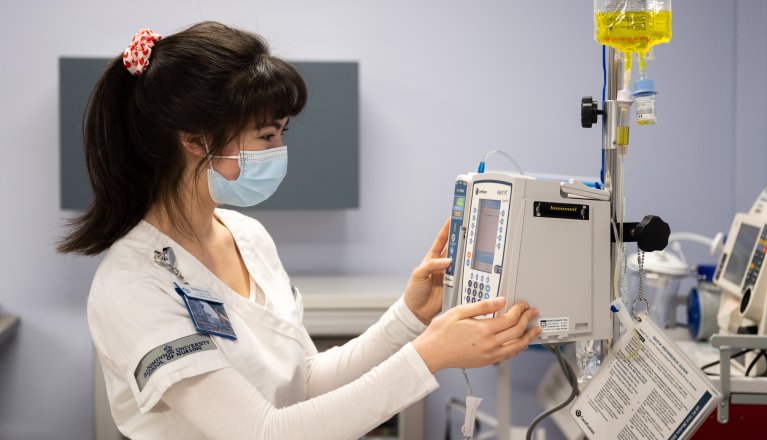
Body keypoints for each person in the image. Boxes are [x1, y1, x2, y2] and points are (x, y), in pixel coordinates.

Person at [58, 21, 542, 439]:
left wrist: (409, 318)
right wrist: (427, 356)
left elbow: (305, 382)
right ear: (192, 139)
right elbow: (265, 432)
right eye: (266, 135)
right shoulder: (134, 284)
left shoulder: (246, 236)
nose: (277, 150)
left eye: (281, 134)